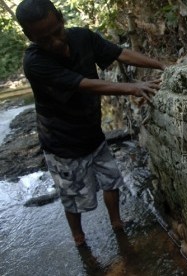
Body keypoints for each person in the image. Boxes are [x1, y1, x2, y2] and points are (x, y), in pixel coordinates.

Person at [15, 0, 165, 246]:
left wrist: (161, 65)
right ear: (29, 36)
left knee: (111, 179)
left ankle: (117, 222)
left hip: (91, 131)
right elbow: (84, 84)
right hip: (61, 142)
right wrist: (132, 87)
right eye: (45, 39)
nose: (56, 42)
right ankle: (78, 236)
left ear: (61, 18)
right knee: (73, 197)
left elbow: (119, 53)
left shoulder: (82, 38)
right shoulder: (35, 62)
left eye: (57, 32)